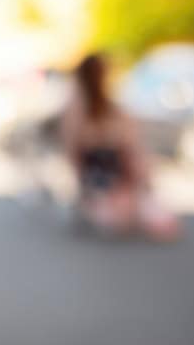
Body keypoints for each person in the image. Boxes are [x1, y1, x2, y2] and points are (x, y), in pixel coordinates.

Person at [60, 53, 180, 240]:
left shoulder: (110, 105)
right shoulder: (78, 105)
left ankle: (138, 203)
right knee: (116, 219)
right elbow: (75, 144)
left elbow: (128, 137)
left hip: (118, 166)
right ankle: (109, 206)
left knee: (138, 215)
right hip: (97, 169)